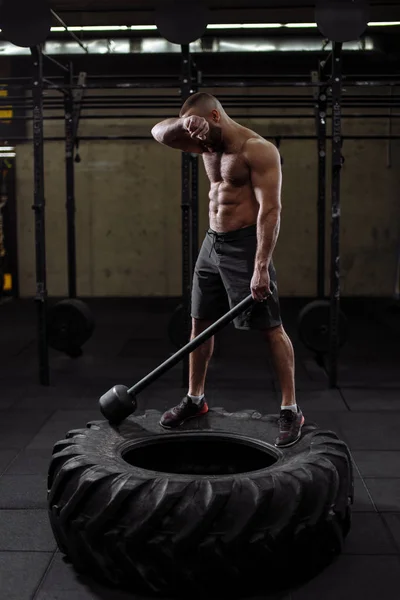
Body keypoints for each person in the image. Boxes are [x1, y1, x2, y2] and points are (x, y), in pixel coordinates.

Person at [151, 92, 304, 448]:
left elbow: (271, 211)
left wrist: (261, 267)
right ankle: (195, 399)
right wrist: (184, 125)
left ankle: (290, 409)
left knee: (270, 329)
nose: (200, 143)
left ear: (217, 116)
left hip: (245, 245)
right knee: (199, 325)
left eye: (204, 132)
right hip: (212, 244)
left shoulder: (257, 150)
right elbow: (158, 132)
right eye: (196, 137)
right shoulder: (205, 141)